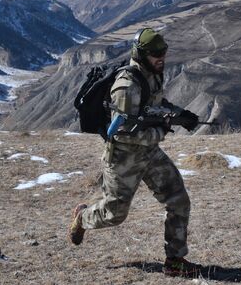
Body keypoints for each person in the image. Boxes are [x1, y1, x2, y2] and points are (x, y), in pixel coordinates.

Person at [69, 28, 202, 277]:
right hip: (123, 159)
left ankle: (175, 261)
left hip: (149, 153)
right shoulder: (126, 87)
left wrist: (179, 115)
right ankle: (83, 217)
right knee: (114, 214)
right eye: (155, 54)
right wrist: (163, 130)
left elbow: (155, 105)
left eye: (163, 52)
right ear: (141, 55)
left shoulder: (152, 74)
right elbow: (122, 133)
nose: (161, 57)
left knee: (178, 200)